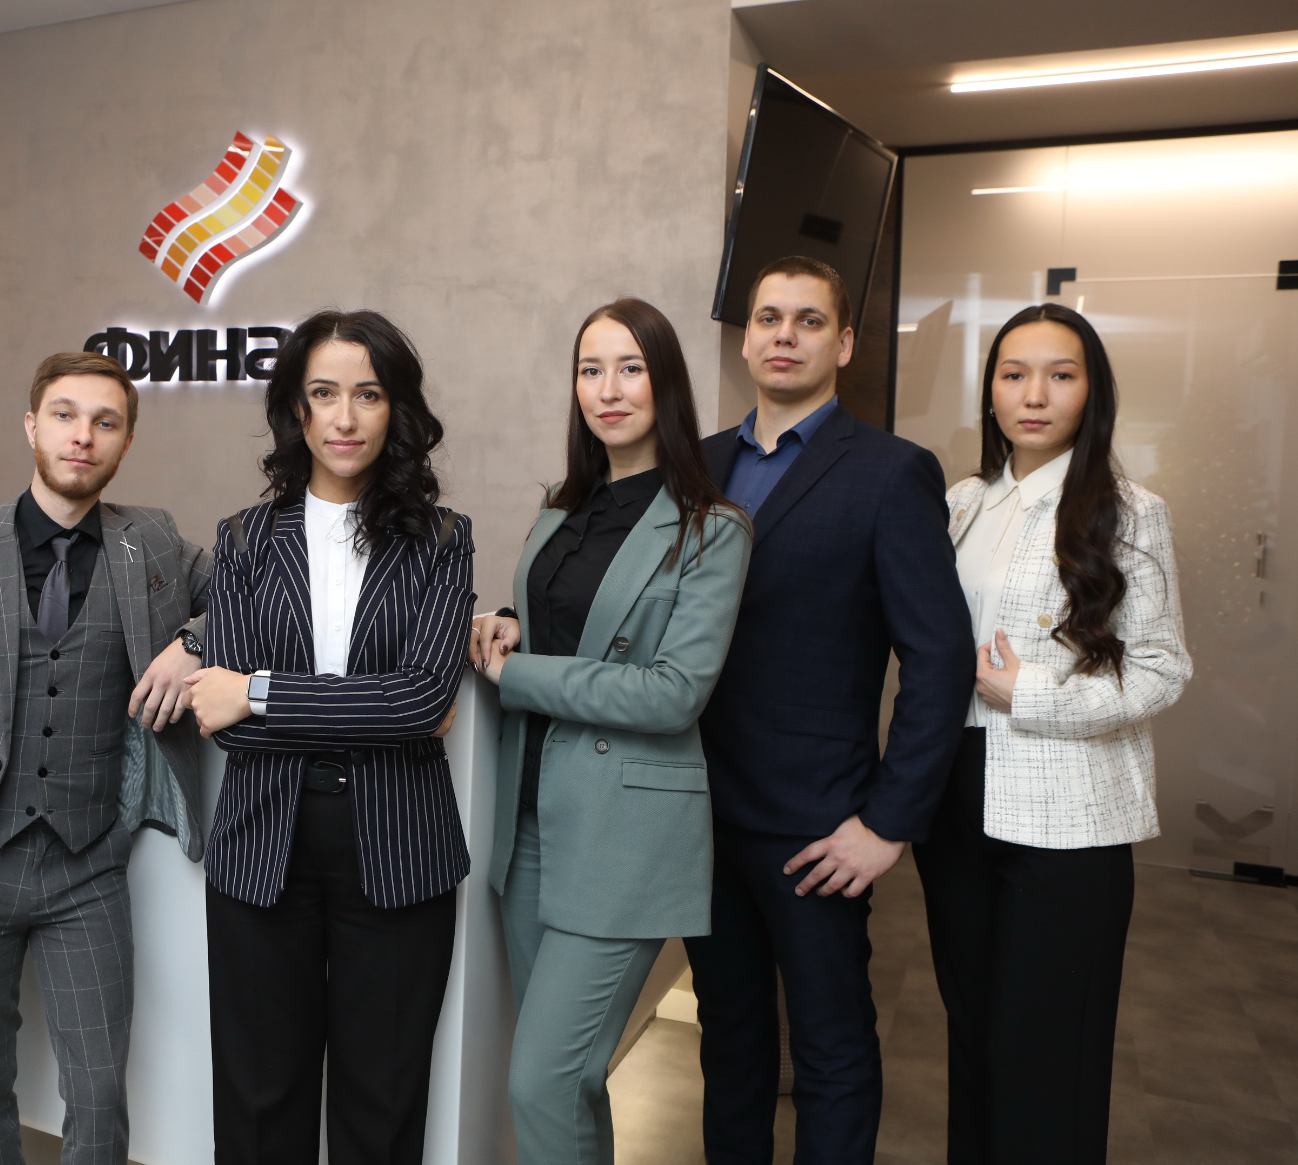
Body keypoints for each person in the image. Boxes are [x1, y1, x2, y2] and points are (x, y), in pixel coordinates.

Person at [0, 352, 212, 1165]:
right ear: (32, 425)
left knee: (98, 1092)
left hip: (88, 867)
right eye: (65, 415)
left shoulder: (152, 540)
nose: (83, 436)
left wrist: (192, 641)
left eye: (106, 422)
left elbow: (248, 593)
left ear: (126, 441)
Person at [685, 256, 973, 1165]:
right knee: (729, 1045)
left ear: (843, 344)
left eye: (808, 321)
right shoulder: (696, 465)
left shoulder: (892, 472)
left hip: (815, 829)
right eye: (768, 318)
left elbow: (939, 658)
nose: (784, 335)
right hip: (695, 812)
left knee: (831, 1049)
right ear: (745, 340)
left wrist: (888, 823)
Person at [183, 309, 474, 1165]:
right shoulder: (242, 540)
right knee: (257, 1105)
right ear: (297, 409)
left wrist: (258, 691)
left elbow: (421, 700)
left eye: (368, 395)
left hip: (401, 847)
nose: (345, 418)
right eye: (324, 394)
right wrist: (367, 704)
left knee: (381, 1109)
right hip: (261, 847)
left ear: (397, 409)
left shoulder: (442, 539)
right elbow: (227, 729)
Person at [467, 297, 751, 1165]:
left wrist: (518, 674)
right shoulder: (561, 511)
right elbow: (574, 624)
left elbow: (672, 693)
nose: (608, 389)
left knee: (542, 1082)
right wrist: (511, 619)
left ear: (666, 383)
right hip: (530, 821)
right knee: (572, 1081)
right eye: (590, 370)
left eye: (631, 368)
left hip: (624, 833)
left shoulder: (712, 528)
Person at [916, 304, 1189, 1165]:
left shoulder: (1131, 512)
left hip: (1070, 816)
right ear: (991, 390)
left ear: (1091, 391)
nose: (1034, 395)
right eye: (1013, 374)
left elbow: (1162, 669)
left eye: (1060, 375)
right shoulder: (960, 503)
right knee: (974, 1037)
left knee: (1046, 1055)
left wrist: (1028, 692)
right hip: (954, 795)